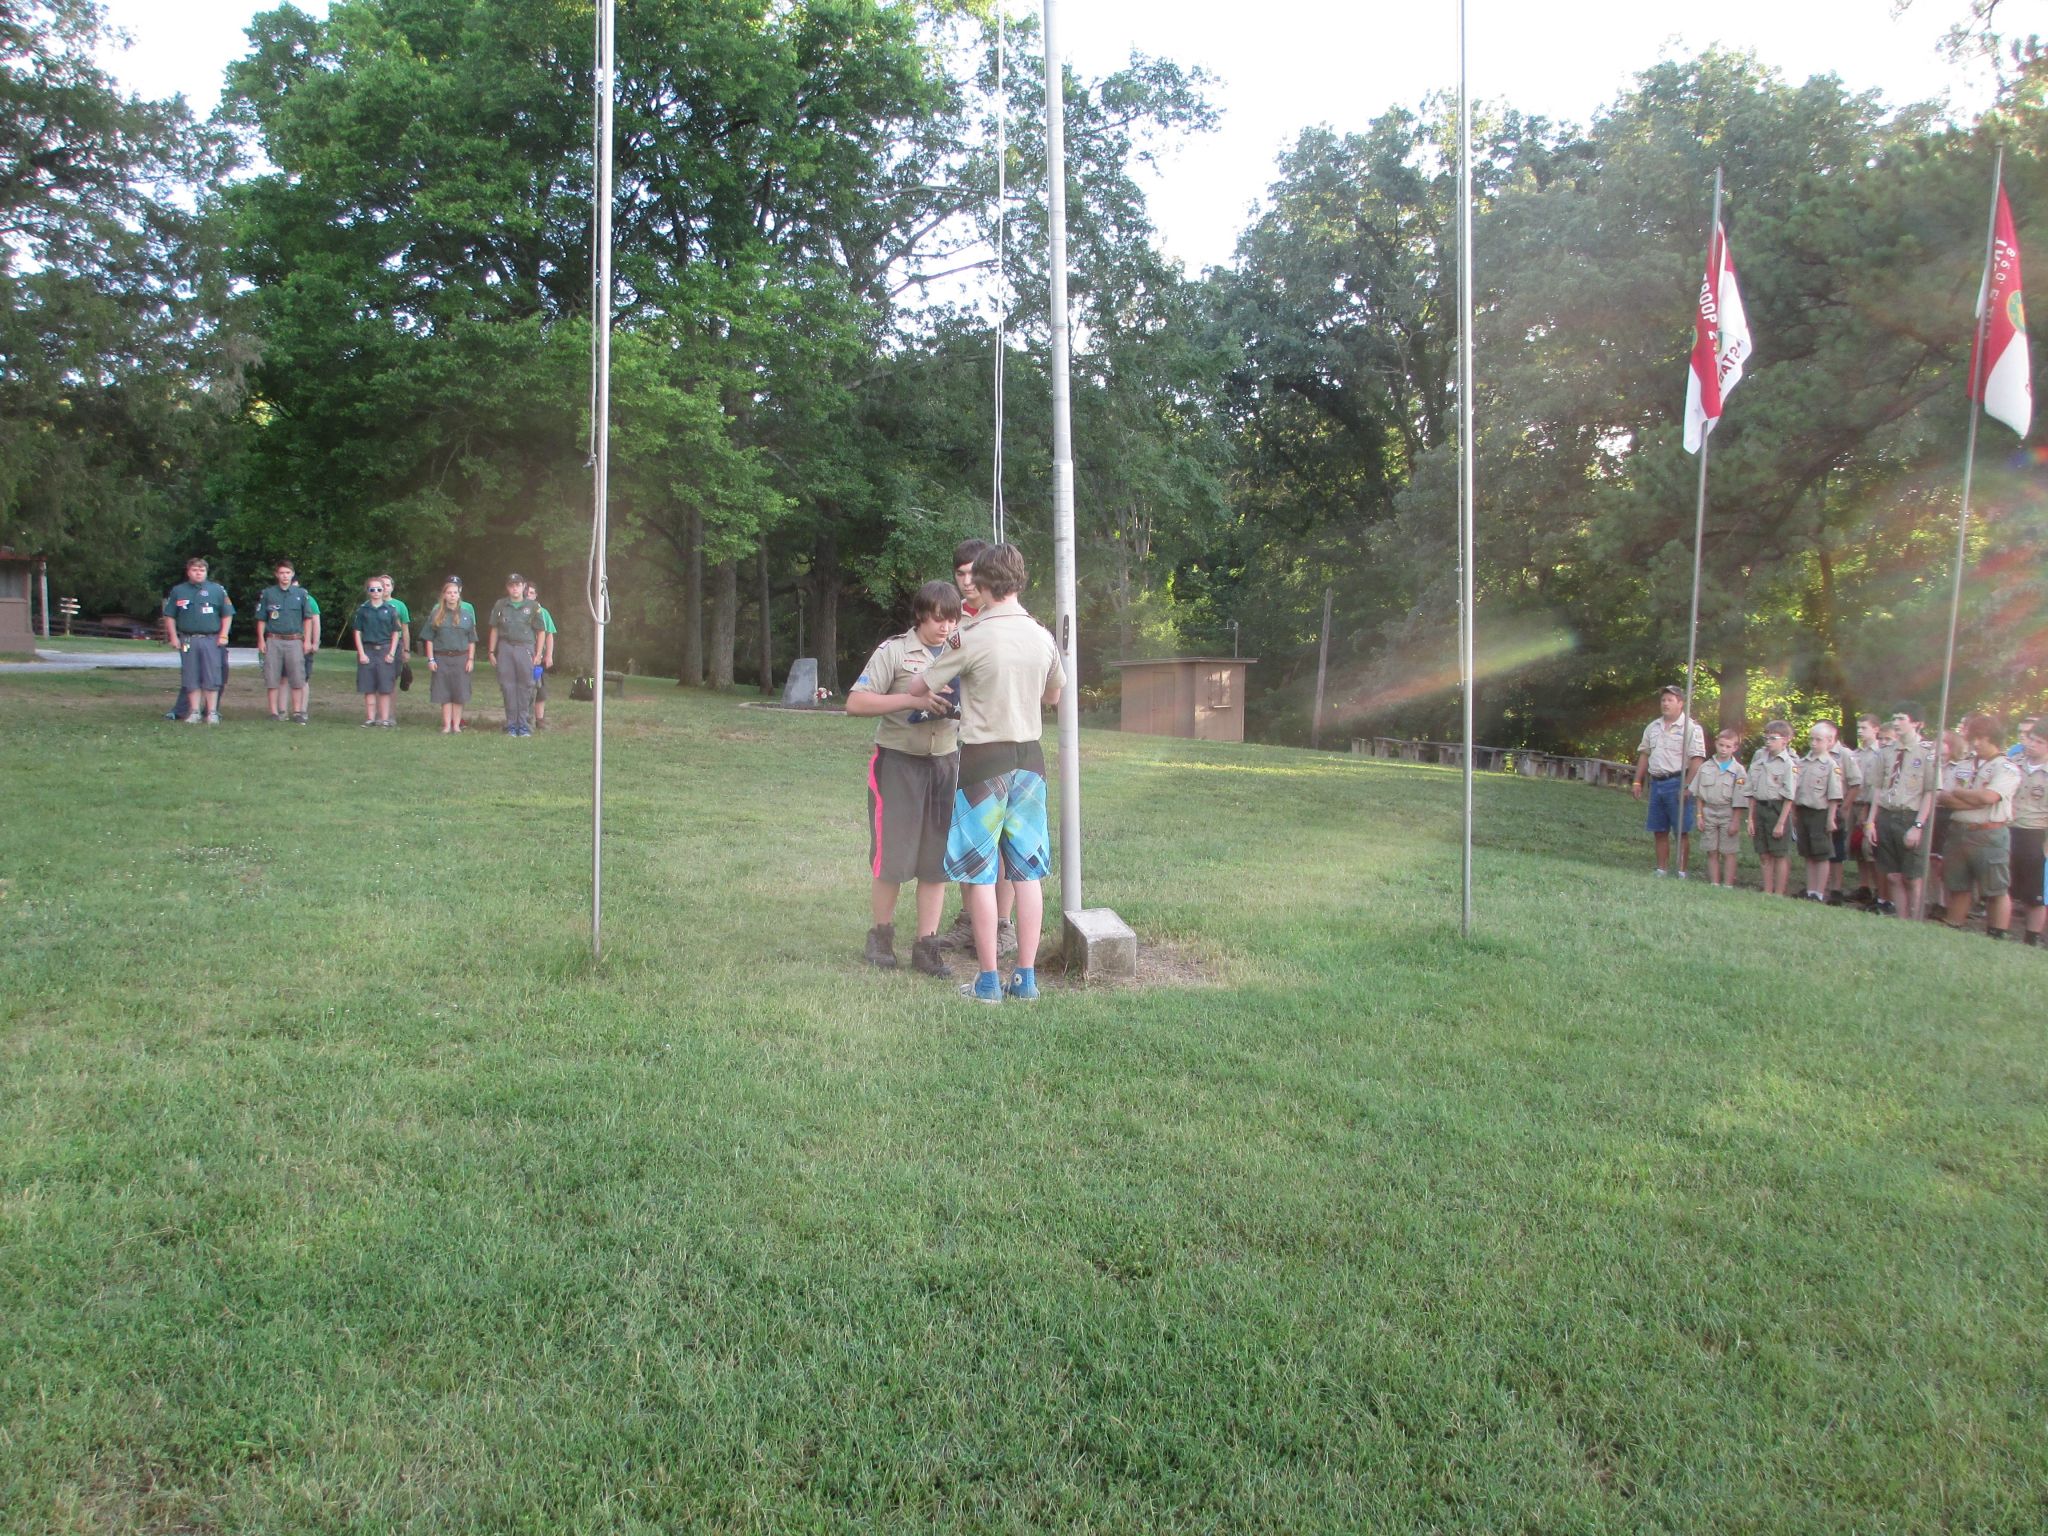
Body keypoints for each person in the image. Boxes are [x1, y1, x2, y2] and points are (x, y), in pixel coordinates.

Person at [906, 542, 1065, 1004]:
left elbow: (920, 685)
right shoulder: (1041, 635)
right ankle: (1026, 980)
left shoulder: (970, 636)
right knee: (1027, 872)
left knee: (978, 872)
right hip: (1030, 761)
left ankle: (989, 981)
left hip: (983, 761)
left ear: (982, 583)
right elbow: (1054, 696)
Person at [846, 580, 964, 976]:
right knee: (893, 856)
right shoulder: (894, 651)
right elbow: (856, 702)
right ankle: (881, 936)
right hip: (898, 763)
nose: (945, 627)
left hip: (945, 763)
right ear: (920, 615)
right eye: (938, 619)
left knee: (936, 860)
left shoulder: (962, 650)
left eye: (952, 619)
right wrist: (912, 700)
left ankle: (926, 946)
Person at [936, 537, 1019, 959]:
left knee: (1001, 839)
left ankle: (1002, 925)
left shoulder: (1004, 617)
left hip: (1000, 743)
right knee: (969, 835)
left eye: (974, 573)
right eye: (960, 573)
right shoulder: (953, 621)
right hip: (956, 741)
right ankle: (970, 920)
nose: (967, 581)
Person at [1937, 713, 2020, 938]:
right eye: (1973, 737)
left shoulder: (2006, 768)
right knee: (1958, 884)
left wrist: (1961, 793)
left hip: (1989, 833)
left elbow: (1989, 797)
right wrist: (1971, 799)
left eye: (1982, 738)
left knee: (1995, 888)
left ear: (1994, 738)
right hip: (1959, 832)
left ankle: (1996, 932)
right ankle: (1954, 926)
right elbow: (1943, 796)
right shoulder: (1963, 764)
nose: (1976, 743)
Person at [1866, 706, 1938, 919]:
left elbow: (1930, 791)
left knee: (1912, 877)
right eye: (1894, 718)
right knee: (1893, 875)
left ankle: (1915, 920)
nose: (1896, 723)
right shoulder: (1886, 752)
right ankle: (1901, 919)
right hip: (1887, 815)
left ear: (1916, 723)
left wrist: (1918, 825)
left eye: (1901, 719)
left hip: (1910, 817)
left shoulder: (1927, 753)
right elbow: (1877, 788)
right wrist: (1870, 822)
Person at [1630, 685, 1706, 877]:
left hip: (1678, 781)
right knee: (1659, 828)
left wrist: (1687, 786)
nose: (1665, 703)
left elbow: (1697, 760)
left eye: (1670, 700)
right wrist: (1637, 781)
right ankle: (1661, 869)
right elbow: (1644, 754)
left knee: (1681, 830)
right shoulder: (1653, 727)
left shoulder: (1691, 728)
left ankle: (1681, 871)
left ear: (1680, 703)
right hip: (1657, 783)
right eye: (1663, 700)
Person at [160, 556, 233, 725]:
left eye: (202, 570)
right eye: (194, 570)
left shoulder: (217, 590)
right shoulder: (178, 591)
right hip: (188, 639)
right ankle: (194, 712)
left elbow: (227, 614)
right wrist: (173, 637)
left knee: (212, 676)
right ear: (188, 572)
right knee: (191, 676)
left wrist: (224, 635)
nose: (198, 573)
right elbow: (170, 616)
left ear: (206, 572)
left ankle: (212, 712)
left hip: (211, 639)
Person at [1790, 723, 1845, 903]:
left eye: (1818, 740)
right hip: (1803, 811)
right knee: (1808, 853)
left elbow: (1834, 795)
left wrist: (1831, 818)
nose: (1813, 743)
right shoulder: (1802, 763)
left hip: (1820, 813)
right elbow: (1796, 790)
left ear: (1829, 741)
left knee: (1821, 854)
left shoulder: (1830, 765)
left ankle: (1819, 893)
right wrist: (1794, 812)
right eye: (1811, 739)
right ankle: (1810, 889)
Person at [255, 559, 315, 723]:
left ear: (292, 574)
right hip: (273, 639)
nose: (285, 576)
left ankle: (297, 712)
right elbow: (261, 619)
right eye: (282, 573)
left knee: (297, 678)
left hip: (294, 640)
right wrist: (261, 640)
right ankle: (274, 712)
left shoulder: (300, 594)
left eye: (288, 573)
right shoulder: (268, 594)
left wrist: (307, 640)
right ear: (276, 575)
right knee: (272, 678)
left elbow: (308, 619)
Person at [1808, 719, 1861, 903]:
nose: (1814, 742)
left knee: (1835, 851)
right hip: (1816, 807)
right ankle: (1814, 889)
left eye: (1820, 737)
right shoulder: (1813, 753)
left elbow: (1855, 783)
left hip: (1836, 806)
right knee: (1817, 849)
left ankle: (1836, 889)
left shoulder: (1845, 754)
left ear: (1831, 737)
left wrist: (1844, 807)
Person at [1689, 728, 1750, 888]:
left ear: (1734, 748)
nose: (1723, 749)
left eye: (1728, 746)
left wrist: (1735, 821)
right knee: (1711, 849)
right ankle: (1714, 883)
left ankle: (1728, 884)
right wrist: (1699, 816)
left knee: (1728, 851)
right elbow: (1699, 794)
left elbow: (1740, 798)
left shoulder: (1738, 770)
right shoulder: (1705, 767)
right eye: (1721, 745)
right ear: (1716, 744)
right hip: (1709, 811)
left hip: (1728, 812)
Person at [1746, 720, 1799, 898]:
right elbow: (1751, 791)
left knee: (1779, 853)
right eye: (1766, 738)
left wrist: (1781, 823)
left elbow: (1789, 797)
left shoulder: (1788, 763)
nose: (1768, 742)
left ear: (1785, 740)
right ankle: (1767, 890)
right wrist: (1750, 818)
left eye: (1773, 738)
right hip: (1759, 808)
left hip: (1777, 809)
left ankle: (1779, 892)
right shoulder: (1759, 759)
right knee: (1763, 852)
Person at [420, 579, 478, 733]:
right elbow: (429, 639)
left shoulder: (466, 615)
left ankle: (456, 726)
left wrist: (470, 659)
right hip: (442, 657)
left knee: (459, 693)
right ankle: (446, 725)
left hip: (461, 658)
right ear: (444, 595)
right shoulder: (436, 615)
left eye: (455, 593)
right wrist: (431, 659)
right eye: (449, 593)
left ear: (459, 595)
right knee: (444, 693)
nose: (452, 595)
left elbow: (472, 640)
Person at [488, 573, 541, 736]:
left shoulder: (533, 606)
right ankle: (511, 724)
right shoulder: (501, 605)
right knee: (507, 686)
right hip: (505, 647)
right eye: (511, 585)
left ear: (523, 586)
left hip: (525, 647)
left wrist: (539, 653)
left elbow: (541, 631)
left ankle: (523, 725)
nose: (515, 588)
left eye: (518, 585)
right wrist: (491, 651)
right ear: (507, 588)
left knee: (525, 686)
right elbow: (494, 629)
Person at [2010, 725, 2048, 945]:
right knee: (2005, 886)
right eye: (2031, 739)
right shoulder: (2013, 764)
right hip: (2008, 828)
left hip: (2036, 834)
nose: (2032, 745)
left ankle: (2031, 938)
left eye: (2039, 742)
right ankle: (1999, 931)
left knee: (2035, 893)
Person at [349, 577, 404, 727]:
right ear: (368, 591)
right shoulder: (363, 610)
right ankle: (370, 718)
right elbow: (357, 632)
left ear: (383, 590)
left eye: (379, 589)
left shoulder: (391, 610)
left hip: (385, 649)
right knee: (369, 687)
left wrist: (392, 653)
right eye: (372, 589)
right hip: (368, 649)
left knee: (385, 688)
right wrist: (361, 653)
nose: (376, 592)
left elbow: (396, 632)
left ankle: (384, 719)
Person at [1848, 714, 1888, 905]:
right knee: (1857, 848)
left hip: (1870, 806)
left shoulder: (1880, 753)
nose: (1860, 731)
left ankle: (1879, 890)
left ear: (1876, 729)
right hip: (1854, 804)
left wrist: (1867, 809)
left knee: (1869, 848)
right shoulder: (1855, 754)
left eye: (1864, 728)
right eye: (1858, 728)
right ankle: (1864, 886)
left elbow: (1876, 785)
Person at [525, 581, 556, 730]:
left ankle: (540, 719)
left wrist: (548, 655)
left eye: (531, 593)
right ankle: (524, 718)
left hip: (539, 658)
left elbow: (549, 635)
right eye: (526, 593)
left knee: (541, 689)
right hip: (524, 655)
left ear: (536, 595)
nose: (528, 595)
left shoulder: (543, 612)